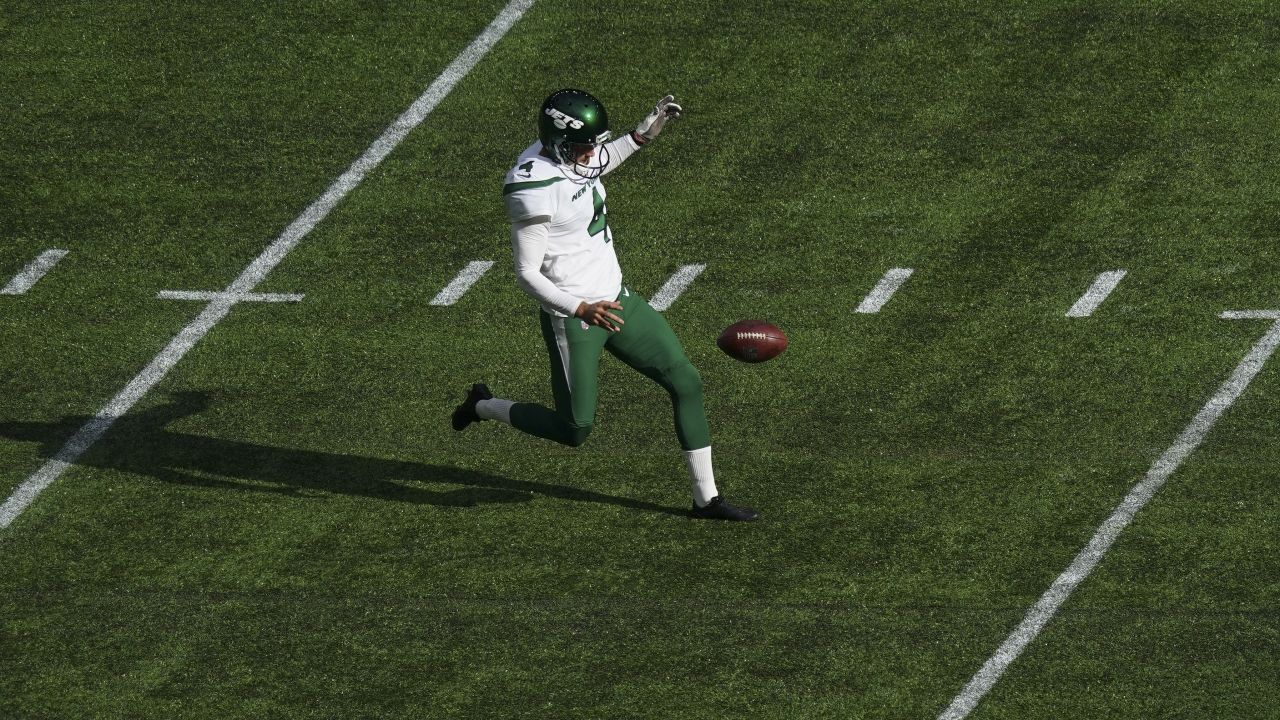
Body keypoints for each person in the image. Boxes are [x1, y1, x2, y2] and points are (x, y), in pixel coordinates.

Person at [452, 88, 757, 522]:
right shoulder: (532, 185)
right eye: (583, 146)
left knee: (686, 381)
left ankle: (705, 500)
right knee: (575, 430)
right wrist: (579, 309)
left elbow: (599, 162)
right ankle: (483, 405)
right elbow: (527, 273)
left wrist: (642, 134)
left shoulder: (573, 156)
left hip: (618, 299)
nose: (591, 153)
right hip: (574, 318)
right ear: (558, 142)